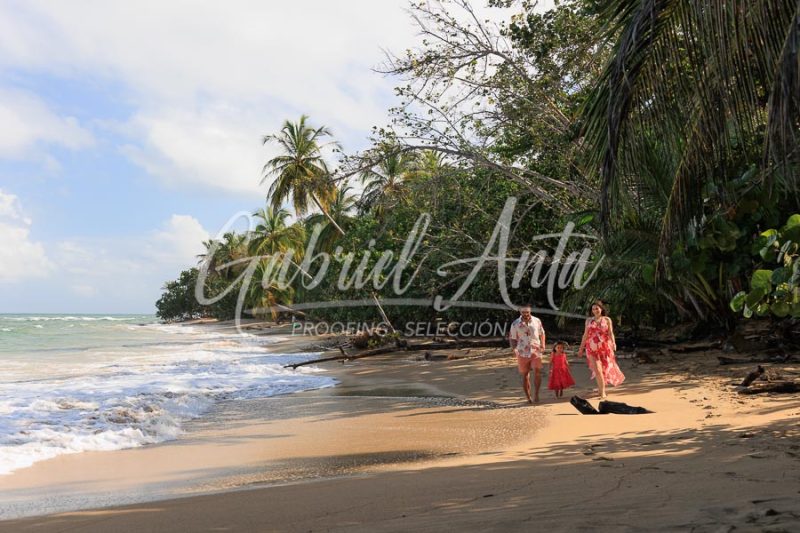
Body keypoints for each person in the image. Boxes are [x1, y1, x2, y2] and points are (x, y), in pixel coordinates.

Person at [578, 300, 625, 399]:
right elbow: (585, 335)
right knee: (598, 370)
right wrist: (581, 348)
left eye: (597, 308)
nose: (595, 310)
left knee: (604, 370)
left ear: (601, 309)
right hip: (591, 348)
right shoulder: (589, 321)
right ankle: (603, 392)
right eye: (593, 309)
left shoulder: (607, 320)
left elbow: (610, 333)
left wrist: (614, 343)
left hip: (605, 348)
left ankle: (600, 389)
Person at [508, 304, 546, 404]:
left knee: (537, 371)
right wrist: (514, 349)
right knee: (525, 374)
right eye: (523, 312)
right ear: (520, 312)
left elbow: (542, 333)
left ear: (530, 311)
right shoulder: (515, 324)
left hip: (535, 350)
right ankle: (528, 396)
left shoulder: (536, 321)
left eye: (527, 312)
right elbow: (512, 338)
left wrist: (543, 345)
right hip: (522, 352)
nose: (526, 314)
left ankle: (536, 394)